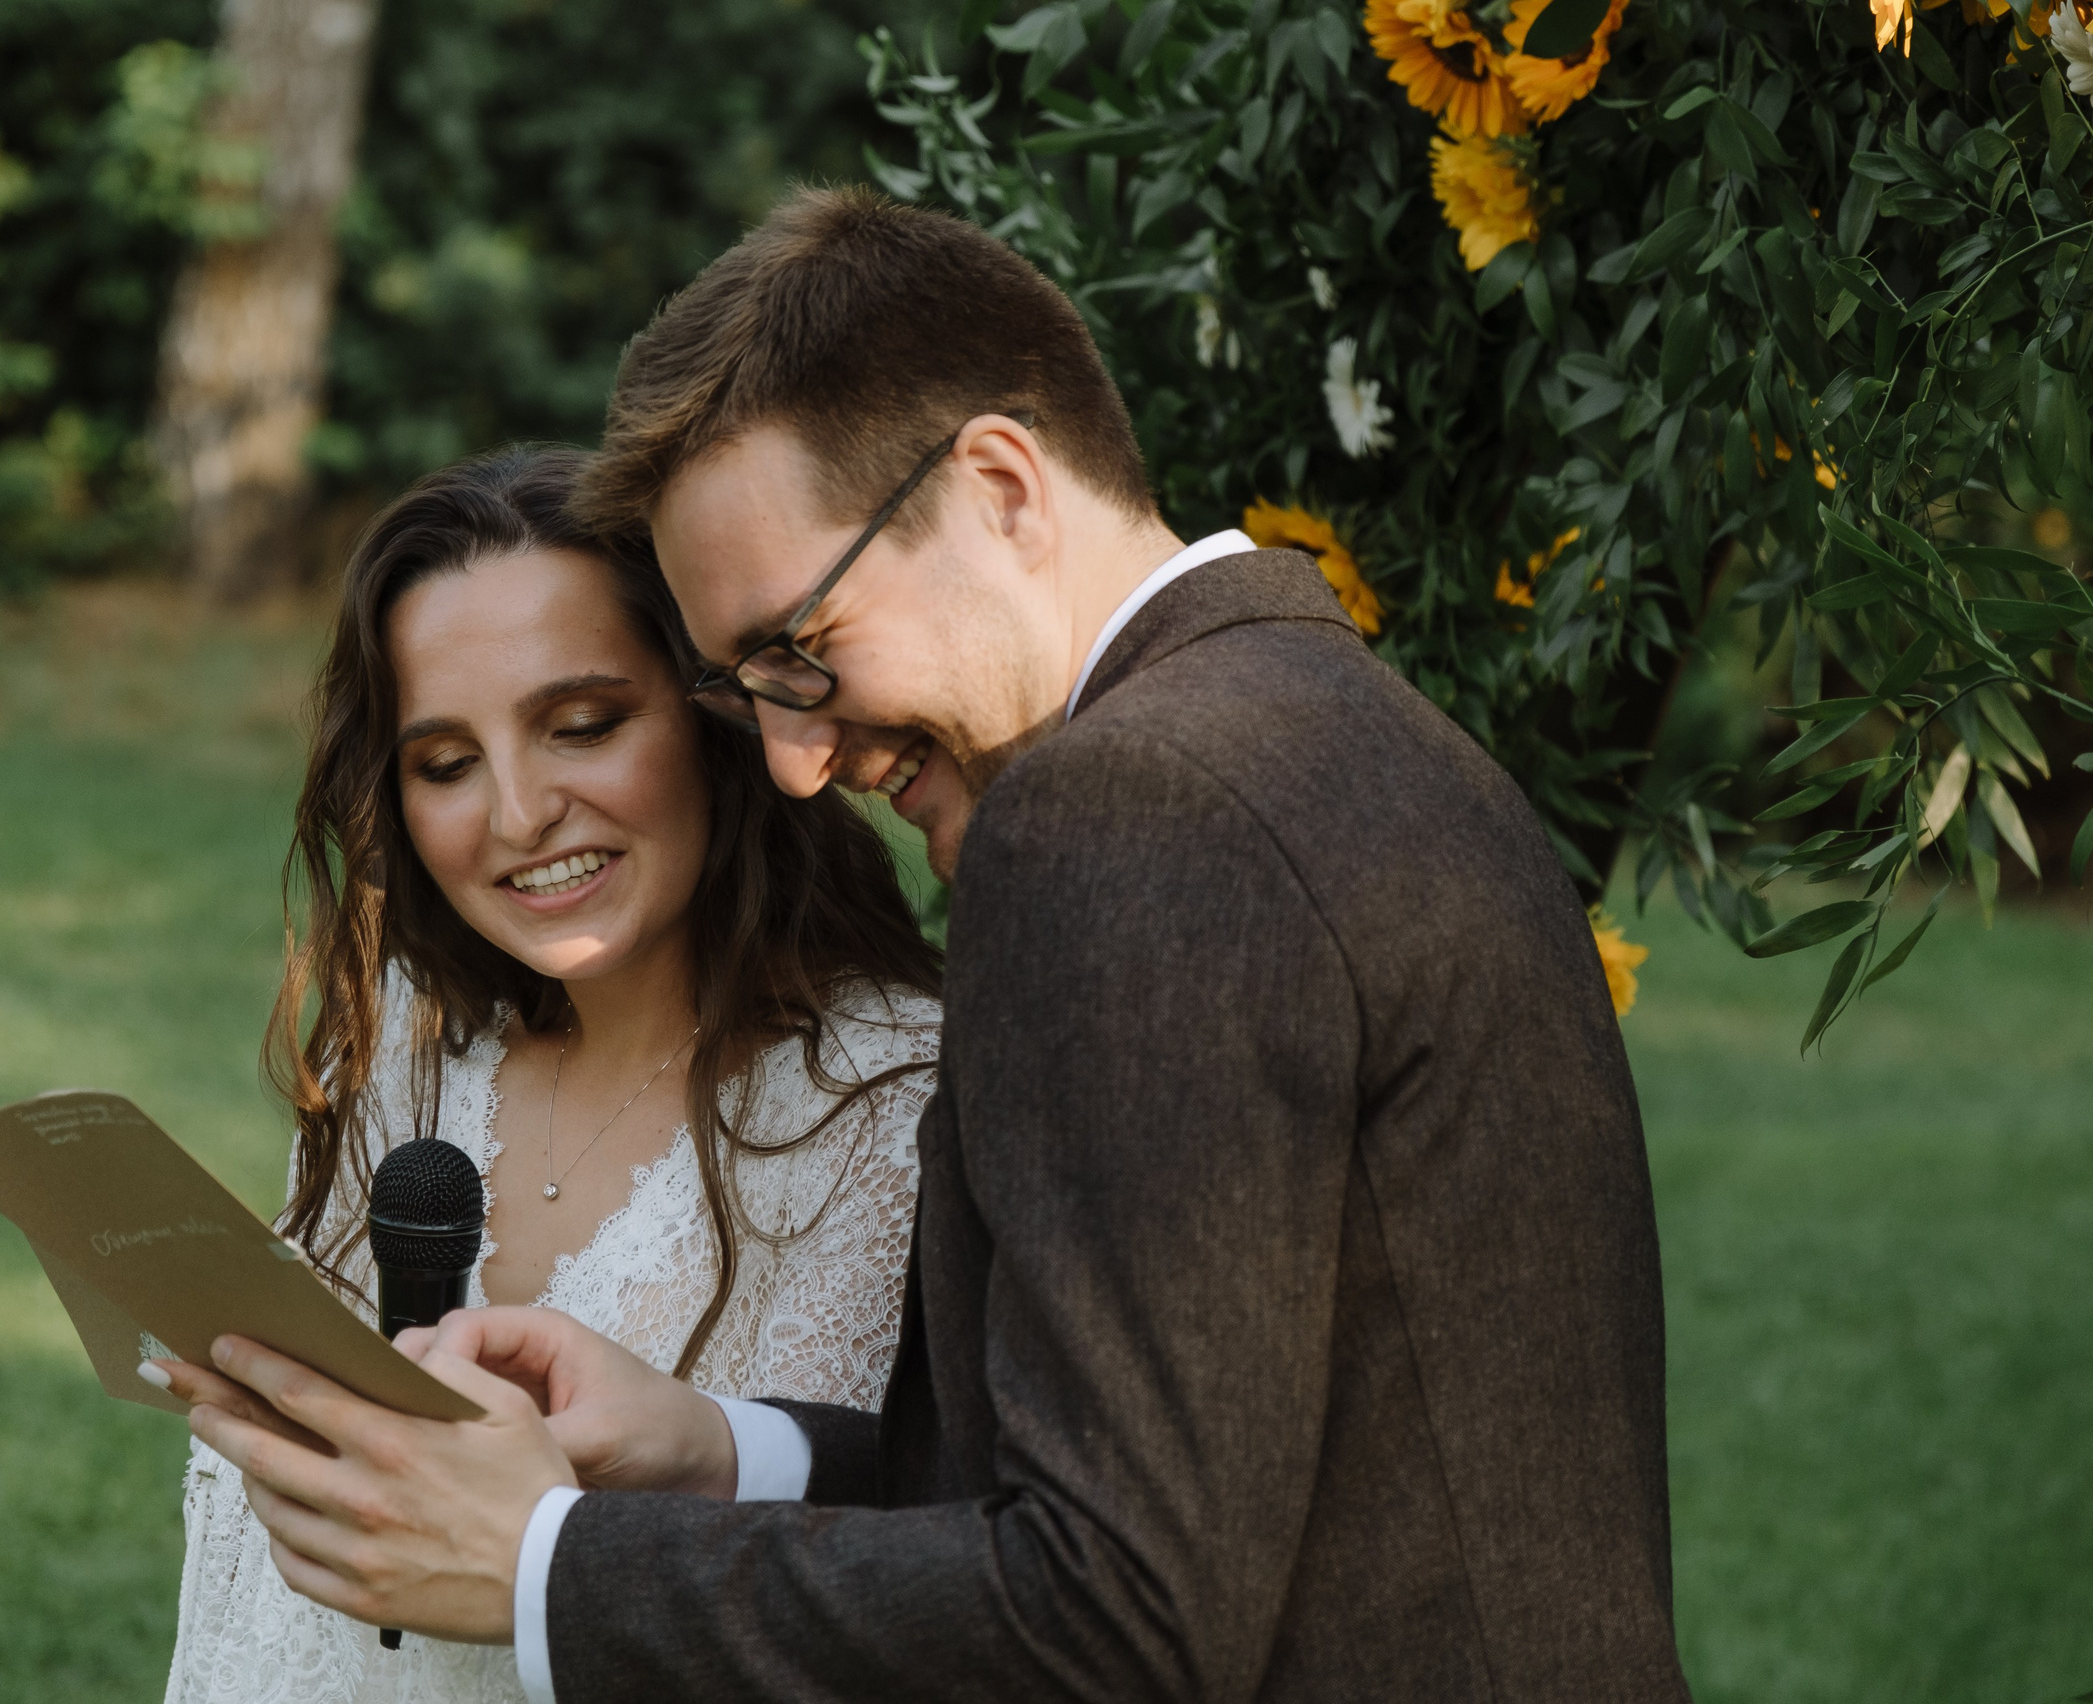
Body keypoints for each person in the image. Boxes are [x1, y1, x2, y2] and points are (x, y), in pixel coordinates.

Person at [175, 188, 1692, 1702]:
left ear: (1001, 487)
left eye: (799, 650)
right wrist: (718, 1446)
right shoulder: (1353, 724)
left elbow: (1116, 1623)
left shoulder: (1122, 811)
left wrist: (542, 1564)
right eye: (742, 688)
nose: (789, 759)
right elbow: (1175, 1479)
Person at [152, 446, 943, 1704]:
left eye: (582, 726)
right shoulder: (413, 1037)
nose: (520, 814)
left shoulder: (884, 1099)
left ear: (715, 719)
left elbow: (866, 1590)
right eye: (446, 763)